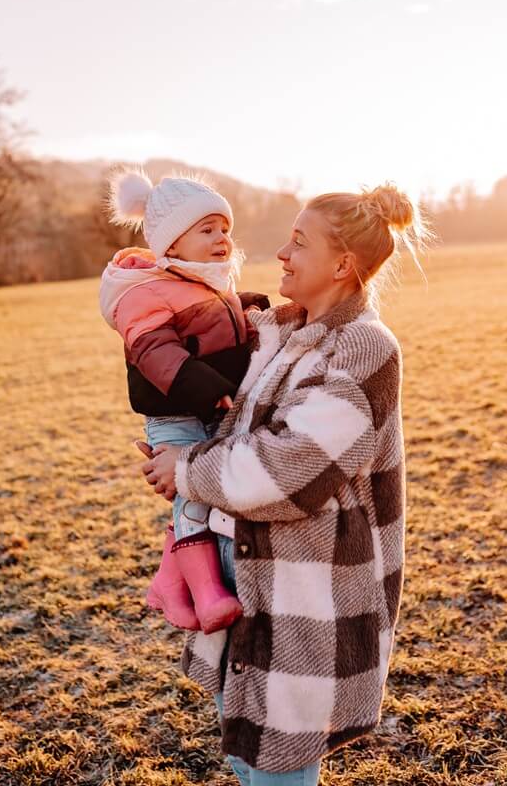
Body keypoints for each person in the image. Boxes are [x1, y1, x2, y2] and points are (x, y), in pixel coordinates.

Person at [140, 183, 427, 785]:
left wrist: (188, 469)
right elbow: (234, 423)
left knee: (278, 773)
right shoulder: (276, 333)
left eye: (299, 242)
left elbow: (287, 471)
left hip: (304, 600)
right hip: (245, 579)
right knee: (247, 762)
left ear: (343, 265)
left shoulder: (363, 348)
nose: (281, 253)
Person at [100, 169, 269, 635]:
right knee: (190, 494)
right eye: (207, 230)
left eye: (225, 229)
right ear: (172, 243)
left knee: (200, 488)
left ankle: (171, 582)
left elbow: (216, 326)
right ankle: (206, 593)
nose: (222, 239)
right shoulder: (143, 292)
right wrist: (204, 386)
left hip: (205, 403)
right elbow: (155, 351)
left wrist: (249, 309)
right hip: (177, 410)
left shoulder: (205, 281)